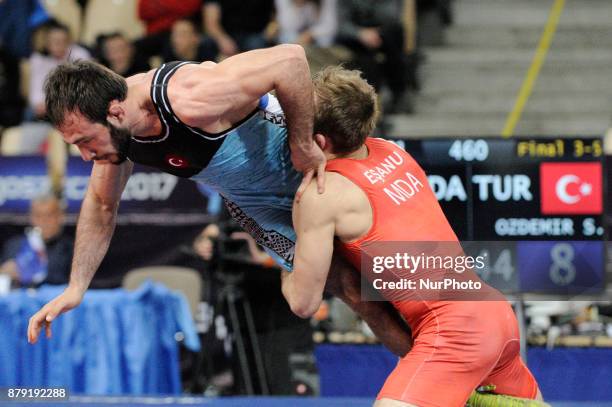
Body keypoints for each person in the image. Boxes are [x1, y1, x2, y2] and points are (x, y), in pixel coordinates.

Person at [26, 46, 412, 359]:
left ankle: (461, 359)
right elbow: (101, 204)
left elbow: (291, 59)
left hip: (300, 166)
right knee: (356, 293)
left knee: (392, 273)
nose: (84, 156)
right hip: (255, 204)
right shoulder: (117, 138)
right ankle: (447, 393)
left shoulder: (188, 95)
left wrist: (301, 142)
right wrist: (76, 287)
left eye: (84, 142)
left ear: (115, 111)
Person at [280, 66, 545, 406]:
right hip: (494, 315)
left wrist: (286, 267)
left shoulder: (322, 195)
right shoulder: (393, 151)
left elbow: (303, 302)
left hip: (455, 331)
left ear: (318, 142)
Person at [0, 194, 73, 287]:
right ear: (31, 218)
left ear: (61, 217)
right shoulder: (14, 245)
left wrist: (28, 273)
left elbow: (68, 280)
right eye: (38, 216)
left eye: (49, 215)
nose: (44, 221)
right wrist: (3, 271)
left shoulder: (72, 248)